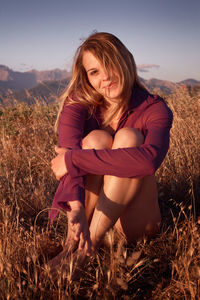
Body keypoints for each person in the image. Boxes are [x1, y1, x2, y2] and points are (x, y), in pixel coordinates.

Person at [49, 32, 173, 271]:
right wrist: (75, 208)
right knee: (97, 138)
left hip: (134, 225)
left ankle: (86, 252)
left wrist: (74, 160)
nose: (104, 77)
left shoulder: (155, 108)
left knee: (129, 137)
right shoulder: (78, 104)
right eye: (94, 72)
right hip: (89, 214)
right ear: (86, 77)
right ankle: (71, 246)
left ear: (125, 61)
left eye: (110, 65)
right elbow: (68, 152)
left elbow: (148, 162)